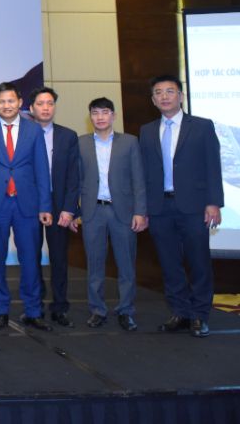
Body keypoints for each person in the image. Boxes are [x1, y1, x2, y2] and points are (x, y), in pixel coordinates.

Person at [139, 75, 223, 338]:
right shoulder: (146, 130)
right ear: (153, 100)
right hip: (159, 207)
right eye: (158, 92)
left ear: (181, 96)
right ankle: (180, 312)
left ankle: (200, 315)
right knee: (169, 264)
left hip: (194, 206)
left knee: (198, 262)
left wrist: (213, 202)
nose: (164, 96)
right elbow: (144, 173)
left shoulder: (202, 126)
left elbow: (213, 166)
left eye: (170, 91)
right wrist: (143, 208)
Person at [0, 81, 53, 331]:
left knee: (30, 259)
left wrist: (45, 205)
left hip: (27, 205)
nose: (6, 105)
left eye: (11, 101)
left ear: (20, 102)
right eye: (1, 101)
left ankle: (33, 310)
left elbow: (42, 169)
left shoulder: (33, 130)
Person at [72, 97, 147, 331]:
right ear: (90, 117)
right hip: (92, 211)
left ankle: (126, 310)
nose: (100, 117)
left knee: (126, 265)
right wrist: (74, 211)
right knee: (94, 265)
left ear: (113, 116)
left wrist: (140, 211)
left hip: (122, 211)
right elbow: (75, 180)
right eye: (95, 113)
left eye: (105, 112)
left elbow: (139, 179)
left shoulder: (130, 142)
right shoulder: (81, 143)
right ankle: (97, 310)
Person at [28, 87, 80, 328]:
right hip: (31, 204)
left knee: (59, 258)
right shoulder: (24, 134)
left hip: (59, 205)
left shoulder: (68, 136)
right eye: (40, 104)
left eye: (50, 103)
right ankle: (35, 306)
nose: (46, 108)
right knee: (32, 257)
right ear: (31, 108)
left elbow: (74, 176)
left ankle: (60, 307)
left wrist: (70, 209)